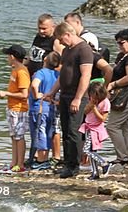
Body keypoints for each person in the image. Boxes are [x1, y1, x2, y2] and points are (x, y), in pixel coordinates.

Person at [49, 22, 93, 179]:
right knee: (66, 130)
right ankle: (68, 163)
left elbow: (86, 75)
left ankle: (74, 165)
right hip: (65, 95)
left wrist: (78, 98)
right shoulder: (67, 50)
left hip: (77, 96)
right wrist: (52, 92)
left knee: (74, 131)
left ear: (68, 34)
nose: (60, 42)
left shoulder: (84, 49)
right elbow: (63, 75)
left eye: (61, 39)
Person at [105, 28, 128, 168]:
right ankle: (126, 157)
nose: (119, 46)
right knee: (126, 128)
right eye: (118, 43)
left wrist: (113, 84)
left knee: (112, 126)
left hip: (126, 96)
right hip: (126, 96)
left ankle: (122, 156)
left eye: (122, 42)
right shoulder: (123, 55)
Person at [0, 44, 30, 173]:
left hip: (19, 109)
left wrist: (7, 94)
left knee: (19, 136)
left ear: (12, 57)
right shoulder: (15, 69)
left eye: (8, 56)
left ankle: (20, 164)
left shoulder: (21, 72)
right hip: (12, 108)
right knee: (13, 136)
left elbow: (24, 94)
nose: (7, 58)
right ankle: (14, 162)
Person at [29, 51, 59, 171]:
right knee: (48, 132)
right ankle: (45, 158)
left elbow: (34, 85)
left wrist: (36, 95)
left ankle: (41, 160)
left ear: (45, 59)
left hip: (39, 107)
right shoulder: (57, 74)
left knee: (39, 132)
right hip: (51, 107)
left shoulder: (40, 73)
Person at [78, 82, 110, 180]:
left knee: (87, 150)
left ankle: (104, 163)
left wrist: (95, 109)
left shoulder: (105, 102)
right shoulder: (91, 100)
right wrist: (90, 104)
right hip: (88, 127)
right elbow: (85, 111)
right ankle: (95, 172)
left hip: (96, 129)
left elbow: (103, 119)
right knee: (92, 151)